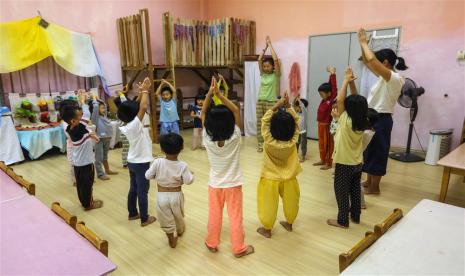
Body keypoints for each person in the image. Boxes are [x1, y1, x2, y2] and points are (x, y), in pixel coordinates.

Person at [202, 77, 254, 258]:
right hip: (233, 184)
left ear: (208, 124)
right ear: (230, 122)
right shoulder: (235, 137)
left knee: (214, 215)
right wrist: (220, 96)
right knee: (235, 216)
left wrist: (210, 94)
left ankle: (211, 242)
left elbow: (203, 115)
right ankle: (239, 248)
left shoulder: (206, 138)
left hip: (215, 184)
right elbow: (236, 109)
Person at [358, 28, 407, 195]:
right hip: (373, 118)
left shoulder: (395, 78)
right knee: (370, 150)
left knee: (379, 152)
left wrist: (365, 43)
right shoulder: (384, 77)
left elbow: (371, 60)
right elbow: (367, 61)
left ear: (385, 62)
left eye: (379, 62)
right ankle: (369, 181)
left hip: (382, 119)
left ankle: (375, 187)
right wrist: (361, 44)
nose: (376, 65)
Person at [327, 67, 370, 228]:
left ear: (347, 109)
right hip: (357, 163)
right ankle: (355, 217)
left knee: (341, 192)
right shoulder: (362, 119)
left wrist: (345, 80)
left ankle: (342, 220)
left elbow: (340, 99)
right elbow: (355, 99)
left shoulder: (345, 120)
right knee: (354, 190)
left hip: (344, 164)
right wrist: (351, 83)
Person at [256, 92, 302, 238]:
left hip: (270, 177)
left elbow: (264, 120)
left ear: (273, 128)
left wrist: (277, 105)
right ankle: (289, 223)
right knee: (292, 200)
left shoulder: (268, 140)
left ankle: (267, 229)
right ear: (292, 129)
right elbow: (297, 122)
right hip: (290, 177)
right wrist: (288, 106)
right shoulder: (293, 140)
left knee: (267, 203)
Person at [118, 77, 157, 227]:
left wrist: (141, 92)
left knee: (133, 187)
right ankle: (144, 218)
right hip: (141, 163)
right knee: (143, 191)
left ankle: (133, 213)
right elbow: (142, 107)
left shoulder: (126, 123)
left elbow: (136, 106)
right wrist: (146, 90)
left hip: (132, 161)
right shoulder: (135, 125)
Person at [145, 133, 194, 248]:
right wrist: (191, 174)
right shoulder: (183, 165)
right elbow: (188, 181)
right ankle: (180, 230)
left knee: (165, 218)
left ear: (162, 149)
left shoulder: (157, 162)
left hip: (161, 195)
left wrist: (156, 175)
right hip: (176, 195)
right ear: (181, 148)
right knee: (178, 214)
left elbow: (147, 176)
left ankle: (171, 239)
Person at [62, 103, 103, 211]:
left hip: (77, 163)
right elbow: (88, 118)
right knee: (87, 185)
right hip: (86, 163)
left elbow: (85, 127)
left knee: (81, 185)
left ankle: (84, 202)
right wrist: (83, 100)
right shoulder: (79, 129)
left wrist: (90, 135)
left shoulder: (70, 128)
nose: (82, 116)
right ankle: (89, 205)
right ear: (73, 121)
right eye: (80, 115)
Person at [256, 36, 280, 152]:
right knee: (260, 123)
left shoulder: (276, 75)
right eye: (264, 66)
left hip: (271, 102)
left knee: (271, 123)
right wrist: (264, 47)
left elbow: (275, 60)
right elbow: (259, 60)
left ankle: (270, 143)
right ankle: (261, 144)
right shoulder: (263, 74)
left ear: (272, 67)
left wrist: (270, 45)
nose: (265, 68)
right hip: (260, 101)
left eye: (268, 66)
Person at [314, 66, 337, 170]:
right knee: (321, 143)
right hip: (320, 125)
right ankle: (323, 159)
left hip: (327, 126)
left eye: (322, 94)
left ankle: (328, 163)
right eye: (320, 94)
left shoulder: (331, 99)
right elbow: (329, 86)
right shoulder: (324, 100)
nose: (320, 96)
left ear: (329, 93)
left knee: (328, 145)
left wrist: (333, 74)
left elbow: (333, 87)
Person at [90, 94, 118, 180]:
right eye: (102, 108)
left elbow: (105, 105)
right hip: (100, 140)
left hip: (107, 139)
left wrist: (100, 100)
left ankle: (107, 170)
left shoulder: (104, 116)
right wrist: (94, 100)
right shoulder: (95, 118)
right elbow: (95, 108)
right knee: (99, 158)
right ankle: (100, 174)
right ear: (97, 109)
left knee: (105, 156)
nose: (104, 109)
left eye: (104, 108)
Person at [293, 97, 308, 162]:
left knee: (303, 144)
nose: (296, 109)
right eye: (296, 107)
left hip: (303, 132)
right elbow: (293, 105)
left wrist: (299, 100)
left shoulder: (304, 112)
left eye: (297, 107)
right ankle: (295, 155)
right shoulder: (296, 113)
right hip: (297, 131)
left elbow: (302, 106)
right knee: (296, 143)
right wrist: (295, 98)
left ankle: (303, 156)